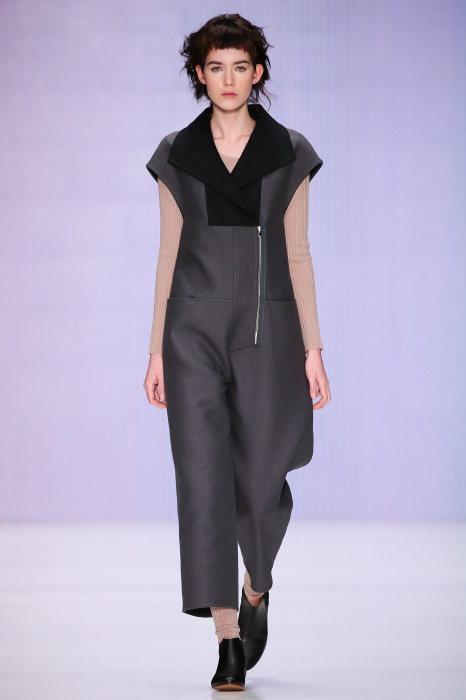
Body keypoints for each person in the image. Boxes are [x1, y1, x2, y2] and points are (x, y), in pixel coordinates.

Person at [143, 13, 331, 691]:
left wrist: (313, 346)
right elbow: (168, 253)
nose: (228, 79)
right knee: (203, 481)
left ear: (258, 72)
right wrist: (156, 349)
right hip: (190, 333)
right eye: (215, 67)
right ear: (200, 74)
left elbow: (298, 252)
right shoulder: (176, 153)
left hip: (268, 331)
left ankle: (257, 586)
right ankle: (227, 639)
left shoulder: (289, 152)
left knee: (260, 482)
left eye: (240, 66)